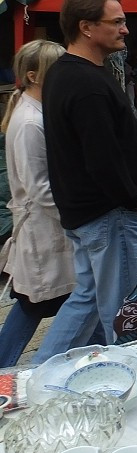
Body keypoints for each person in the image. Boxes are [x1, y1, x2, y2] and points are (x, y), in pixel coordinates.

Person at [33, 0, 137, 360]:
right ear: (86, 27)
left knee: (87, 298)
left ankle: (37, 377)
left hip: (88, 214)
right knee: (123, 314)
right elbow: (102, 159)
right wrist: (134, 199)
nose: (125, 29)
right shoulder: (85, 83)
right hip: (108, 215)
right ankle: (126, 379)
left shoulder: (66, 74)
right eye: (116, 22)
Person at [0, 41, 76, 366]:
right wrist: (76, 215)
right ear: (33, 75)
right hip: (43, 232)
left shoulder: (36, 112)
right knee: (38, 303)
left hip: (47, 232)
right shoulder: (30, 123)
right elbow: (39, 188)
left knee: (42, 303)